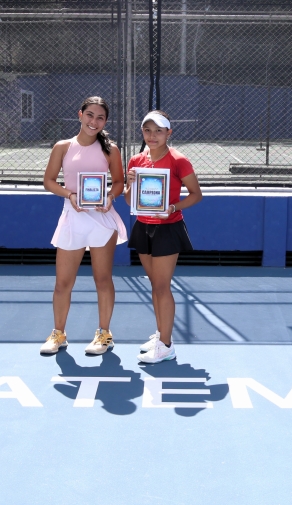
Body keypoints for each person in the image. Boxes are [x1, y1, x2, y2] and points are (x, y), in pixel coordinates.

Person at [40, 96, 127, 356]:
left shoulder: (111, 149)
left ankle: (104, 334)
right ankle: (58, 334)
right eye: (90, 115)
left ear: (105, 122)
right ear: (80, 115)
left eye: (100, 118)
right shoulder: (62, 147)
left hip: (102, 221)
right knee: (62, 283)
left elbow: (119, 182)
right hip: (72, 218)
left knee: (103, 279)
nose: (94, 121)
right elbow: (49, 181)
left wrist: (110, 197)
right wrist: (70, 195)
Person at [125, 110, 203, 363]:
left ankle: (167, 346)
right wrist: (130, 183)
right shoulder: (136, 160)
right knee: (155, 285)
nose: (152, 135)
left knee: (161, 286)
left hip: (168, 228)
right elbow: (129, 200)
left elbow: (196, 195)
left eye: (158, 131)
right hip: (143, 226)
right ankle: (161, 334)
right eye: (147, 130)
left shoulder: (179, 160)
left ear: (169, 133)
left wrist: (173, 207)